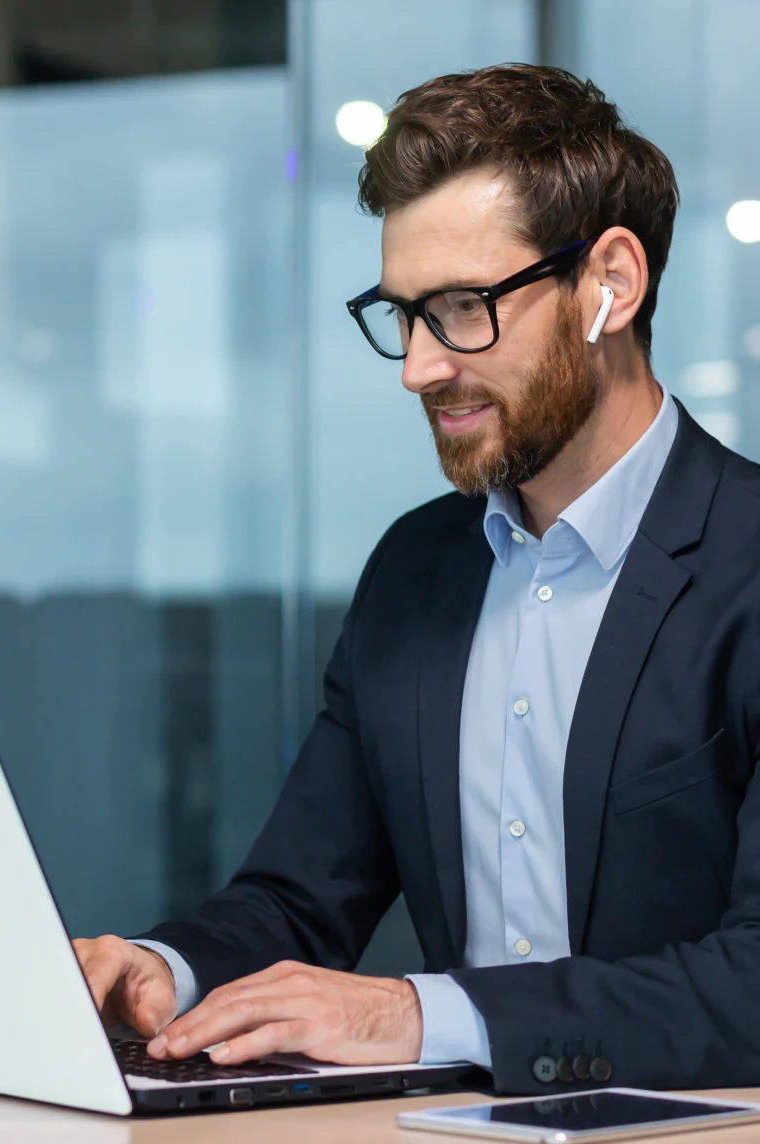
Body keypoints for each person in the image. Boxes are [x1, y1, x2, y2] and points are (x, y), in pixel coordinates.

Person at [73, 64, 760, 1093]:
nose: (417, 367)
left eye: (461, 307)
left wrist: (422, 1011)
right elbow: (297, 899)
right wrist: (161, 973)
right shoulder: (415, 571)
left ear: (608, 285)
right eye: (403, 314)